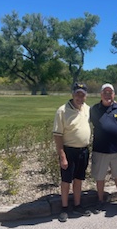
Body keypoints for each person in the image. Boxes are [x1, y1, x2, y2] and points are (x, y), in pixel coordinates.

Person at [90, 83, 117, 213]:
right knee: (100, 177)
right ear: (101, 94)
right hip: (99, 150)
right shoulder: (94, 109)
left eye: (110, 92)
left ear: (114, 94)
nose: (107, 95)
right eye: (105, 92)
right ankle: (100, 200)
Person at [52, 82, 92, 222]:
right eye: (77, 94)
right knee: (66, 180)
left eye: (82, 94)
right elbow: (57, 135)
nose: (79, 97)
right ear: (72, 94)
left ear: (85, 96)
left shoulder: (87, 109)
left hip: (83, 151)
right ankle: (64, 208)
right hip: (69, 150)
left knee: (79, 179)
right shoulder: (62, 111)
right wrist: (62, 156)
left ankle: (77, 205)